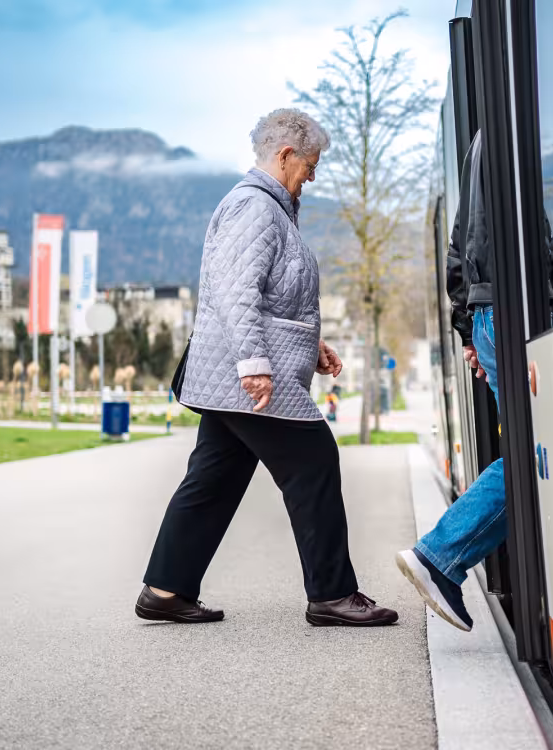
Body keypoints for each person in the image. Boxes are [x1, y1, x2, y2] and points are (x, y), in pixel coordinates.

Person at [136, 108, 397, 628]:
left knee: (214, 476)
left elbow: (275, 294)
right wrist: (255, 363)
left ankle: (165, 589)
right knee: (314, 460)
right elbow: (236, 296)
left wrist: (312, 341)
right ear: (284, 155)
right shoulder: (253, 208)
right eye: (310, 164)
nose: (313, 175)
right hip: (249, 378)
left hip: (239, 377)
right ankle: (332, 594)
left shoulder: (273, 210)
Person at [395, 130, 553, 631]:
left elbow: (456, 249)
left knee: (535, 449)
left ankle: (443, 557)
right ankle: (440, 556)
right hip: (516, 313)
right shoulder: (511, 132)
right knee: (536, 451)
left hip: (493, 314)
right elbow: (539, 242)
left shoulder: (478, 146)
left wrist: (471, 327)